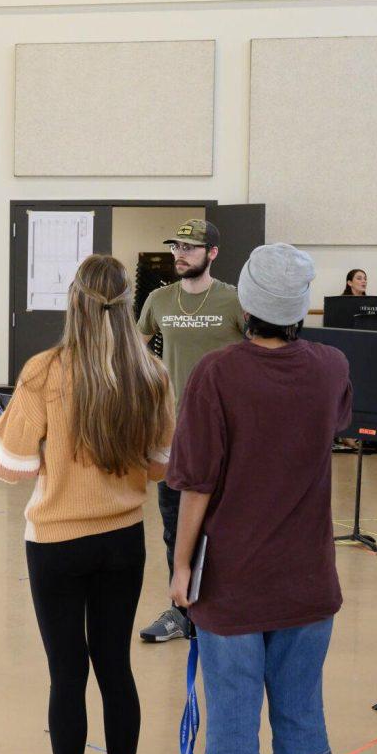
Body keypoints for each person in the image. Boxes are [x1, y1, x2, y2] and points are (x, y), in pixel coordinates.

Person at [0, 254, 174, 754]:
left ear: (75, 301)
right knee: (116, 668)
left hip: (57, 544)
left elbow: (9, 465)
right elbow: (163, 465)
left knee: (67, 675)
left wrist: (44, 451)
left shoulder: (44, 371)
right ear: (128, 305)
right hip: (123, 542)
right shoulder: (152, 374)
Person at [168, 244, 351, 754]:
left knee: (232, 721)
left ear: (245, 303)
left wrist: (181, 567)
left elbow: (196, 486)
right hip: (308, 578)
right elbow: (335, 426)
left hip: (231, 583)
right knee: (299, 718)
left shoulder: (216, 373)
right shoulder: (332, 366)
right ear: (300, 308)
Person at [136, 219, 244, 643]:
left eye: (190, 248)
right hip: (173, 434)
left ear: (212, 253)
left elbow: (259, 358)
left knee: (225, 525)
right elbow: (134, 352)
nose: (180, 254)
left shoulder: (235, 300)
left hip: (228, 435)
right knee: (174, 524)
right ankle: (182, 611)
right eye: (176, 247)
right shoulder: (159, 300)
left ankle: (223, 609)